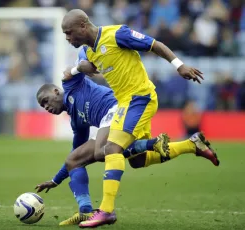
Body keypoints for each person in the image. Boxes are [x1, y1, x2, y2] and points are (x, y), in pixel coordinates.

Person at [61, 9, 205, 228]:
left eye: (69, 33)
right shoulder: (88, 52)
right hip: (124, 104)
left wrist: (179, 65)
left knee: (111, 149)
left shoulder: (117, 34)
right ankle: (192, 145)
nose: (67, 38)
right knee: (137, 160)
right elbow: (85, 68)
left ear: (83, 25)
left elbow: (154, 44)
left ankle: (107, 211)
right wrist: (77, 67)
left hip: (141, 97)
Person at [34, 70, 219, 226]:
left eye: (45, 100)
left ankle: (151, 144)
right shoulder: (76, 121)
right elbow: (74, 158)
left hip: (120, 108)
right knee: (136, 161)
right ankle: (191, 145)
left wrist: (79, 67)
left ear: (56, 91)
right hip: (118, 117)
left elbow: (81, 62)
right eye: (42, 106)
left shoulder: (72, 86)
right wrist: (56, 180)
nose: (46, 107)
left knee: (100, 151)